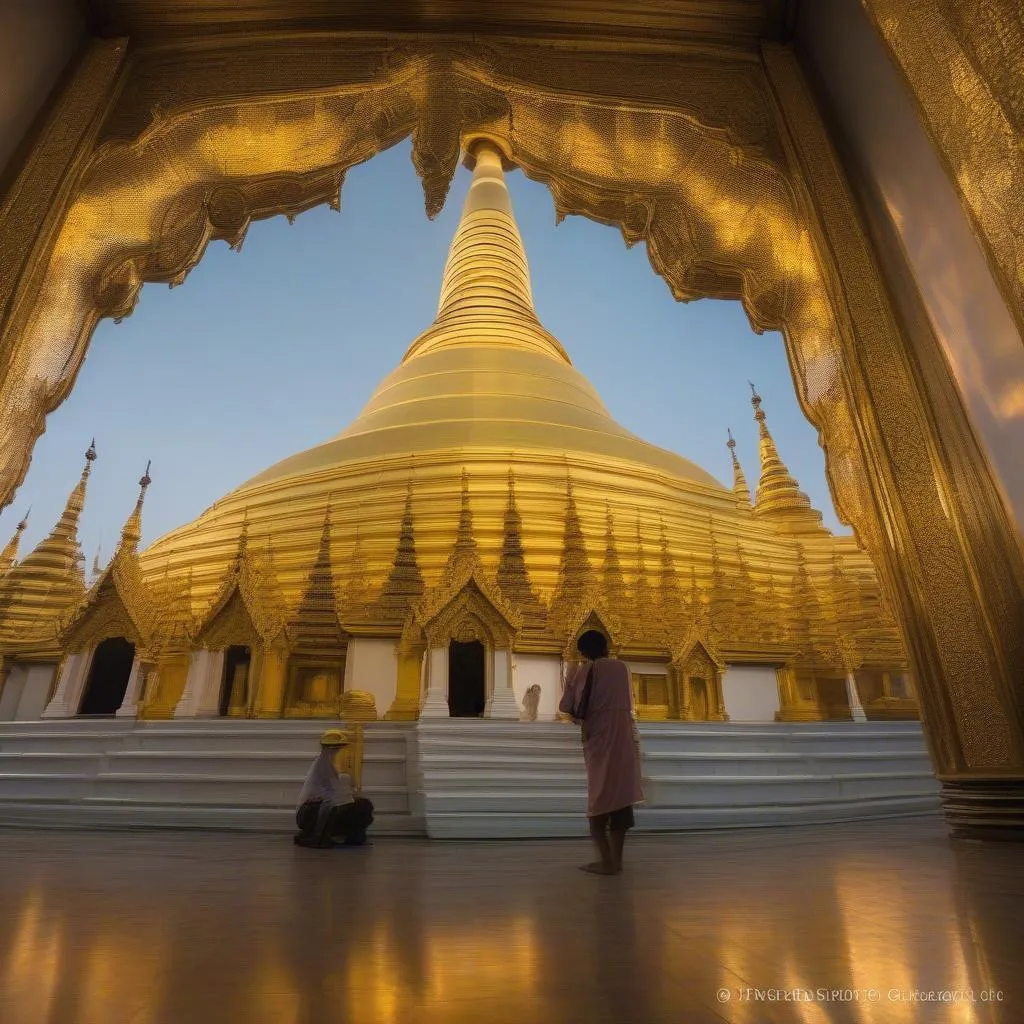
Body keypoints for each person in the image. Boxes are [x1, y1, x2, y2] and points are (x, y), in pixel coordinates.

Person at [559, 630, 643, 874]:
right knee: (620, 801)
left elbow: (568, 707)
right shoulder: (622, 668)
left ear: (583, 651)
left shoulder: (587, 670)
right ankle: (616, 861)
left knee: (599, 802)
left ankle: (607, 862)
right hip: (624, 739)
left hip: (600, 741)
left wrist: (570, 675)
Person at [294, 729, 374, 848]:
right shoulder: (321, 765)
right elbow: (329, 795)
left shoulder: (328, 764)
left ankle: (351, 838)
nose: (338, 751)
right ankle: (319, 838)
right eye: (336, 748)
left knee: (362, 805)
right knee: (352, 806)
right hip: (309, 812)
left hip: (324, 806)